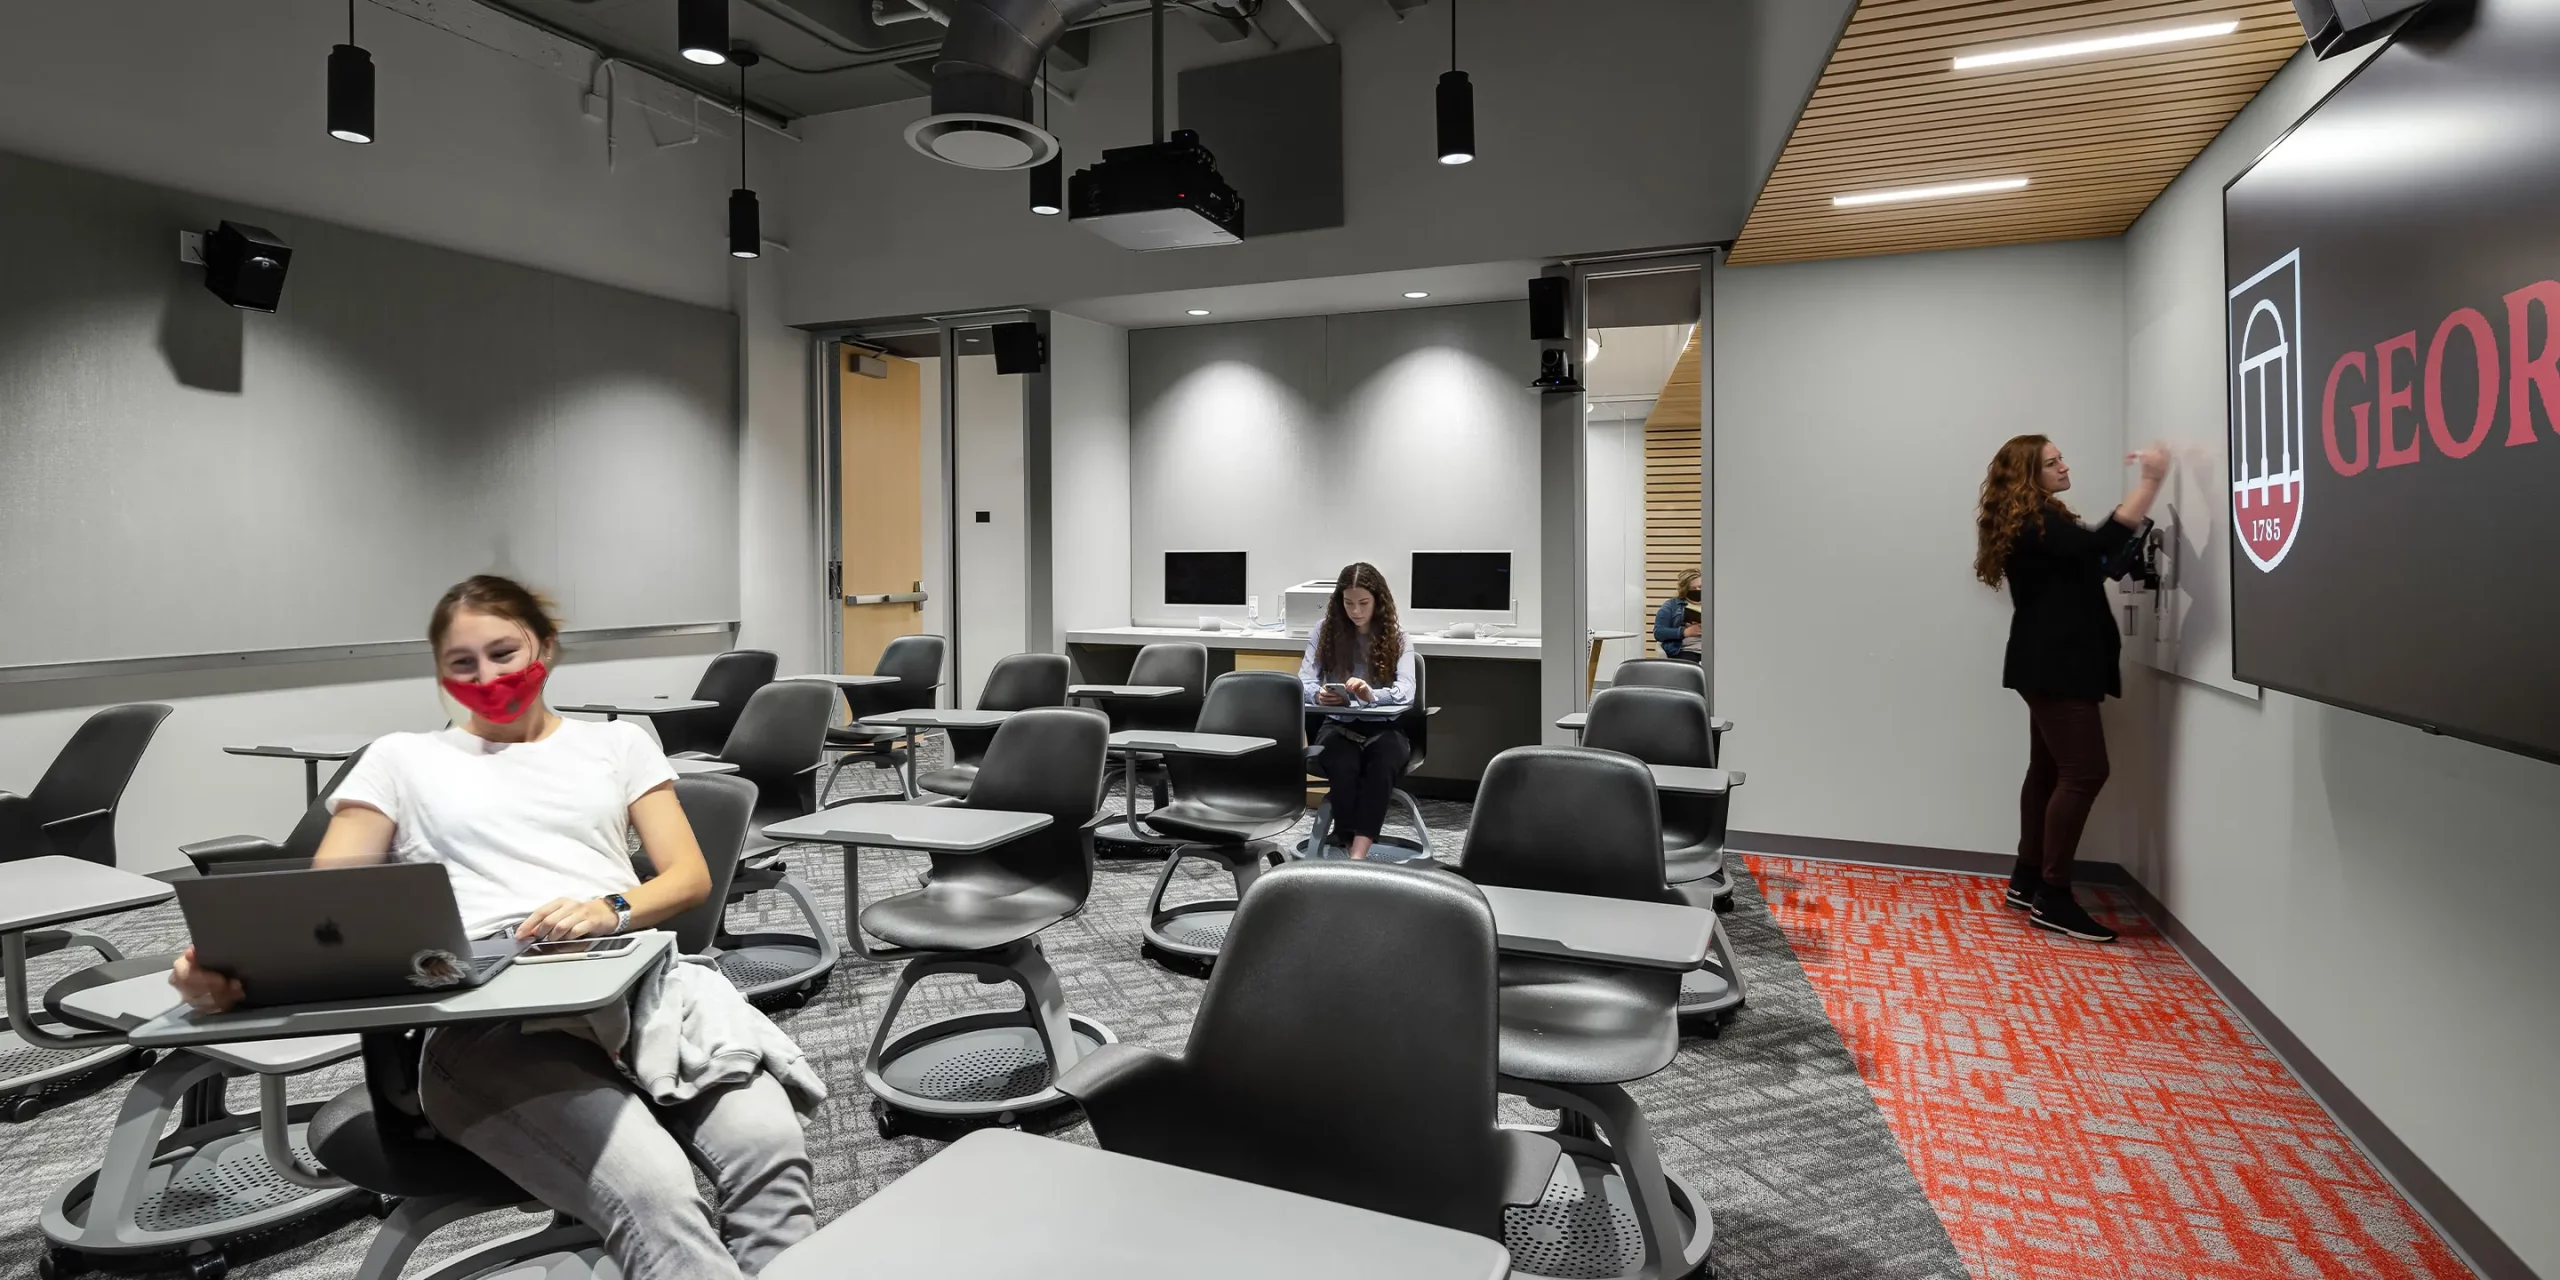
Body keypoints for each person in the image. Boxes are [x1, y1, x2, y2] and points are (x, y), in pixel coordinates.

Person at [169, 575, 815, 1279]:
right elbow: (327, 909)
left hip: (643, 990)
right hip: (491, 1022)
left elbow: (687, 878)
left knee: (770, 1151)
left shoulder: (618, 744)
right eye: (462, 663)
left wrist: (609, 908)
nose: (487, 676)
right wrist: (233, 970)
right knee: (655, 1194)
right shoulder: (400, 760)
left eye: (504, 652)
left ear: (545, 647)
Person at [1975, 437, 2170, 944]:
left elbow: (2090, 561)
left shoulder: (2038, 519)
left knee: (2047, 770)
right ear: (2028, 474)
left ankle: (2027, 879)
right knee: (2085, 771)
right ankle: (2053, 897)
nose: (2064, 466)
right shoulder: (2036, 521)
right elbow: (2099, 544)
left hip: (2047, 662)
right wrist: (2151, 481)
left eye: (2061, 458)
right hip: (2055, 664)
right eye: (2052, 462)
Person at [1299, 561, 1419, 860]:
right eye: (1348, 603)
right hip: (1338, 726)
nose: (1355, 611)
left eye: (1363, 603)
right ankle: (1345, 839)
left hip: (1385, 727)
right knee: (1344, 763)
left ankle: (1358, 852)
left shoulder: (1397, 636)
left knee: (1381, 765)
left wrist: (1372, 695)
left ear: (1378, 601)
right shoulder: (1324, 632)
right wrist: (1319, 694)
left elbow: (1407, 689)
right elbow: (1304, 681)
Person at [1653, 569, 1704, 661]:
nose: (1698, 590)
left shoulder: (1714, 604)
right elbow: (1658, 632)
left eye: (1700, 587)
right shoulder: (1671, 606)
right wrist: (1684, 632)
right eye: (1693, 588)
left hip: (1713, 649)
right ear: (1685, 589)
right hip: (1686, 650)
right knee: (1689, 667)